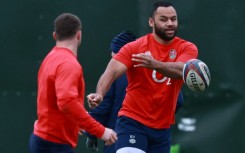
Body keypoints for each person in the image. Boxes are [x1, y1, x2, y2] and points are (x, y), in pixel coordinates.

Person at [87, 1, 198, 153]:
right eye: (164, 19)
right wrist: (99, 94)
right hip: (132, 122)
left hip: (162, 129)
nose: (170, 23)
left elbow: (182, 70)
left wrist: (155, 64)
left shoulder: (187, 47)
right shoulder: (135, 47)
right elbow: (111, 72)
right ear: (151, 22)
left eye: (173, 19)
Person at [28, 13, 117, 153]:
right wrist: (101, 131)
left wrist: (75, 121)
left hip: (44, 139)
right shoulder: (68, 63)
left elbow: (55, 100)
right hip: (54, 144)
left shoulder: (50, 57)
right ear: (79, 35)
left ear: (54, 36)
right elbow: (67, 102)